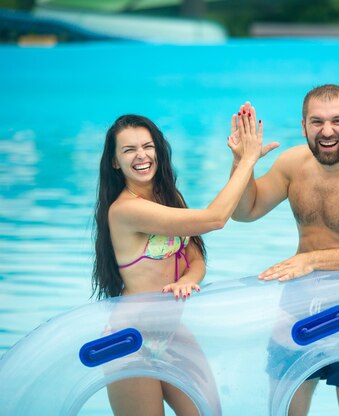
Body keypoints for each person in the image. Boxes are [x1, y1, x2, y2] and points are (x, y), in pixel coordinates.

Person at [229, 85, 339, 416]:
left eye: (337, 120)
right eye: (316, 121)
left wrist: (310, 260)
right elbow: (245, 210)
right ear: (303, 125)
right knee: (283, 406)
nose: (327, 131)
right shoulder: (292, 164)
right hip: (300, 299)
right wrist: (243, 163)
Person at [93, 113, 277, 415]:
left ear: (158, 150)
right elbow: (214, 219)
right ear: (115, 162)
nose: (141, 156)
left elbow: (195, 256)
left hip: (172, 331)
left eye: (147, 146)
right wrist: (247, 161)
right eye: (128, 150)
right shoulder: (125, 211)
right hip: (129, 339)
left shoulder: (168, 196)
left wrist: (188, 279)